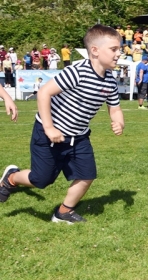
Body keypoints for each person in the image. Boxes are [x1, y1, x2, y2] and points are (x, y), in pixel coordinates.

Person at [0, 24, 125, 223]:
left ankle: (64, 212)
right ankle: (11, 178)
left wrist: (118, 120)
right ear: (94, 50)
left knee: (87, 175)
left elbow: (115, 107)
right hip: (48, 132)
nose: (119, 53)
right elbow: (44, 93)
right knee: (41, 180)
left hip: (79, 137)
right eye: (114, 49)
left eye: (119, 49)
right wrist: (49, 128)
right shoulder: (77, 72)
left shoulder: (110, 80)